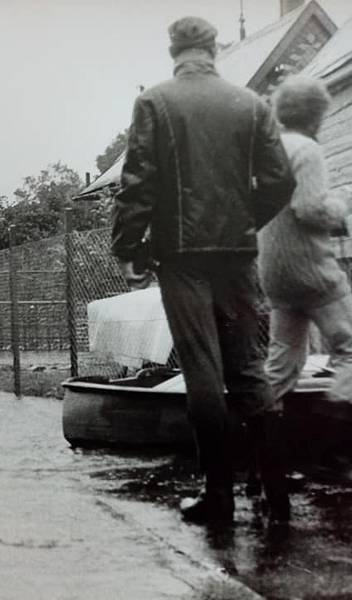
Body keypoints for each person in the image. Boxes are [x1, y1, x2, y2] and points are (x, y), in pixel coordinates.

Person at [111, 17, 296, 524]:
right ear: (214, 48)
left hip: (182, 256)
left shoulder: (155, 102)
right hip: (237, 255)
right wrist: (242, 223)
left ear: (173, 50)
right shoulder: (252, 104)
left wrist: (130, 246)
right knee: (249, 369)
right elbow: (280, 181)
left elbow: (138, 183)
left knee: (203, 374)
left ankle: (218, 497)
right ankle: (278, 501)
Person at [258, 76, 352, 471]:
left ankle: (263, 452)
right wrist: (342, 204)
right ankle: (337, 438)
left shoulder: (266, 150)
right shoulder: (307, 150)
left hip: (274, 270)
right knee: (348, 347)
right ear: (317, 114)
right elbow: (310, 208)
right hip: (310, 268)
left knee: (281, 363)